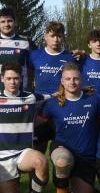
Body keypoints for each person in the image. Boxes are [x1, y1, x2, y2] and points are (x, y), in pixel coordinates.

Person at [0, 62, 56, 193]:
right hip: (2, 157)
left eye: (15, 78)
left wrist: (78, 90)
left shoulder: (30, 97)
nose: (12, 82)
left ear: (21, 78)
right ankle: (13, 188)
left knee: (41, 161)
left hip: (23, 152)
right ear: (2, 79)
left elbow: (52, 95)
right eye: (8, 78)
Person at [40, 62, 100, 193]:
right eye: (68, 79)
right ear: (62, 81)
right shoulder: (53, 103)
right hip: (63, 147)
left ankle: (82, 189)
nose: (72, 82)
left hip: (86, 156)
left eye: (75, 79)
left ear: (81, 80)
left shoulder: (94, 100)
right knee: (62, 161)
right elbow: (37, 122)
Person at [28, 21, 78, 153]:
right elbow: (27, 76)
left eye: (59, 36)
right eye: (52, 36)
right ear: (45, 37)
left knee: (63, 149)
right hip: (39, 107)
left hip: (62, 106)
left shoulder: (70, 57)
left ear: (63, 37)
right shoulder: (34, 55)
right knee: (37, 150)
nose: (56, 39)